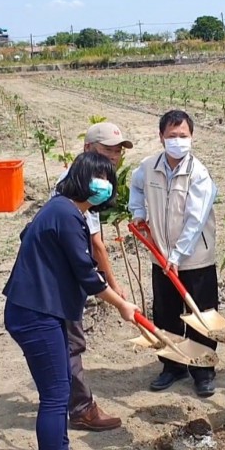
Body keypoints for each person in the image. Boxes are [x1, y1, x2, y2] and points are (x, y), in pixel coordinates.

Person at [3, 153, 140, 450]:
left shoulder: (64, 210)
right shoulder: (65, 213)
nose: (104, 184)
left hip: (44, 309)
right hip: (35, 314)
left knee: (61, 381)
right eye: (99, 176)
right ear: (80, 177)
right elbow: (87, 275)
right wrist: (123, 304)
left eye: (109, 178)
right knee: (54, 394)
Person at [129, 110, 219, 397]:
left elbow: (195, 220)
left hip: (195, 258)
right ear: (161, 138)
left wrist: (178, 256)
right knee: (166, 313)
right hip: (161, 256)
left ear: (192, 138)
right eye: (172, 136)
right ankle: (172, 366)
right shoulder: (148, 167)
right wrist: (139, 213)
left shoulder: (199, 174)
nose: (178, 141)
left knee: (201, 315)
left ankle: (203, 370)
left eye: (183, 136)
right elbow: (136, 187)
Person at [54, 123, 132, 432]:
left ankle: (68, 402)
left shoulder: (90, 182)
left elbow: (96, 242)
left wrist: (113, 285)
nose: (114, 157)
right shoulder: (76, 187)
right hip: (61, 283)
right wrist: (115, 294)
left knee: (69, 343)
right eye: (107, 150)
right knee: (70, 343)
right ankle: (81, 409)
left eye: (117, 151)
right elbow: (91, 252)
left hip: (66, 278)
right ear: (88, 150)